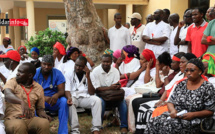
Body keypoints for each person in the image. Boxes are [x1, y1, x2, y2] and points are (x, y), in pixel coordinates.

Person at [144, 58, 215, 134]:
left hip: (196, 119)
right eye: (186, 70)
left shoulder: (207, 87)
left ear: (200, 72)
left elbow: (210, 111)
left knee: (168, 125)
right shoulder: (182, 84)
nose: (188, 73)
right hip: (177, 115)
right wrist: (173, 111)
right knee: (153, 121)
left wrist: (193, 114)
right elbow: (170, 101)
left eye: (192, 70)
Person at [4, 62, 51, 134]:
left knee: (44, 123)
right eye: (18, 71)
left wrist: (43, 114)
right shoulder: (12, 82)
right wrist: (21, 102)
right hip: (12, 119)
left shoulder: (38, 88)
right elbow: (7, 95)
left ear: (30, 75)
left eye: (21, 72)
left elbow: (40, 109)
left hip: (30, 119)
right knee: (19, 125)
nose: (17, 74)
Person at [91, 54, 128, 134]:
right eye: (104, 61)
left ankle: (124, 126)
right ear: (101, 61)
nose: (106, 63)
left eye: (108, 62)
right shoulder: (95, 71)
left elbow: (115, 86)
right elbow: (96, 89)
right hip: (100, 95)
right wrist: (110, 87)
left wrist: (113, 87)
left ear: (111, 62)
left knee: (123, 102)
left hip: (112, 95)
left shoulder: (115, 71)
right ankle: (98, 126)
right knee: (100, 102)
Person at [65, 56, 102, 134]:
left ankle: (96, 128)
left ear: (85, 66)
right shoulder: (69, 73)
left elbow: (92, 93)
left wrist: (88, 77)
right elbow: (67, 89)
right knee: (71, 103)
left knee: (97, 100)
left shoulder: (90, 74)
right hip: (73, 96)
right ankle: (75, 130)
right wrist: (69, 98)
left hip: (85, 97)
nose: (77, 68)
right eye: (76, 65)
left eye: (80, 66)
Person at [33, 55, 69, 134]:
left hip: (53, 100)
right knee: (32, 102)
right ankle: (36, 130)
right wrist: (43, 97)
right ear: (41, 64)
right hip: (40, 100)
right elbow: (31, 90)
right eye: (44, 64)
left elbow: (62, 90)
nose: (46, 67)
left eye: (49, 65)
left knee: (63, 101)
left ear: (53, 65)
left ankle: (63, 132)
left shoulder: (57, 73)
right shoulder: (35, 73)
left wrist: (57, 95)